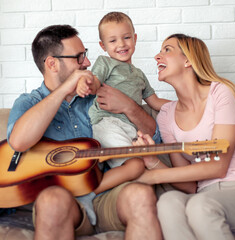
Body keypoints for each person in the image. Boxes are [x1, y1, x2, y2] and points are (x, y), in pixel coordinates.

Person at [7, 24, 162, 240]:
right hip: (67, 199)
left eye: (85, 55)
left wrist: (129, 107)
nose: (87, 63)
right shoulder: (29, 103)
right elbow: (19, 142)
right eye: (79, 57)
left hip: (107, 191)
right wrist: (65, 89)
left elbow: (156, 136)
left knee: (140, 194)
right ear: (52, 64)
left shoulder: (97, 95)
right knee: (52, 200)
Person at [133, 34, 235, 240]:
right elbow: (189, 185)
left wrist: (152, 177)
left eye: (167, 49)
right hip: (205, 196)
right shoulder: (166, 115)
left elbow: (218, 167)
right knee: (167, 202)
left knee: (199, 205)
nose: (157, 56)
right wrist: (152, 161)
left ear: (188, 60)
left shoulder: (221, 93)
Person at [76, 11, 169, 215]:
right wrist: (86, 83)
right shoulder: (105, 63)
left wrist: (186, 104)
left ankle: (97, 188)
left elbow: (154, 102)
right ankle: (88, 195)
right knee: (135, 166)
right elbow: (95, 80)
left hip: (130, 130)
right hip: (106, 123)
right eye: (113, 40)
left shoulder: (139, 75)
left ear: (135, 38)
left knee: (137, 165)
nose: (121, 44)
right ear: (103, 46)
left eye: (126, 37)